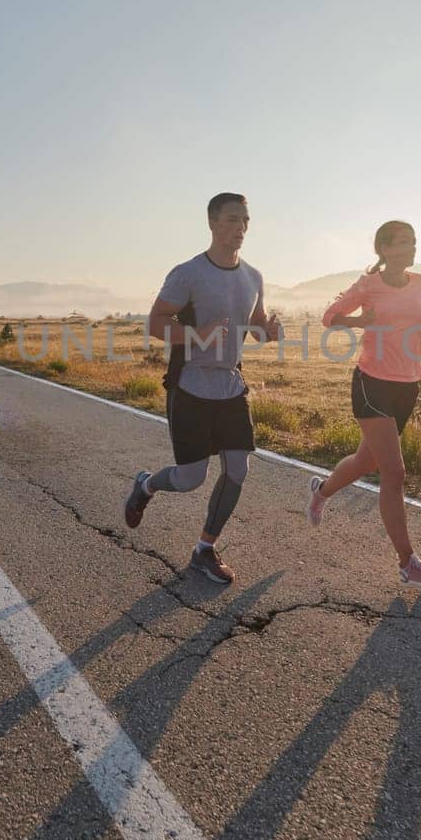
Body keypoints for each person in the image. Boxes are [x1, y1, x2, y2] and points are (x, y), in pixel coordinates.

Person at [123, 192, 281, 584]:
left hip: (230, 383)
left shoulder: (254, 277)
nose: (240, 228)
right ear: (212, 223)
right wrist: (196, 334)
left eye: (245, 220)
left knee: (238, 468)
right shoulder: (188, 273)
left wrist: (268, 332)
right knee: (192, 478)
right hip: (191, 385)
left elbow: (255, 324)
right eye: (231, 220)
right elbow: (155, 323)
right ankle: (146, 485)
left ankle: (204, 549)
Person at [305, 220, 421, 587]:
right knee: (394, 472)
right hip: (372, 384)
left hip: (408, 385)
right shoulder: (368, 285)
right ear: (384, 249)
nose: (412, 247)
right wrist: (358, 321)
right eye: (403, 242)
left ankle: (321, 492)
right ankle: (407, 563)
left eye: (413, 241)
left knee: (364, 461)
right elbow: (329, 317)